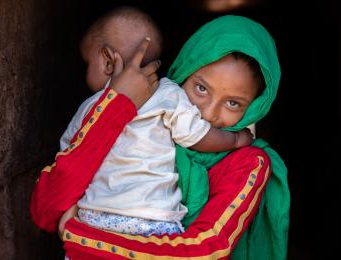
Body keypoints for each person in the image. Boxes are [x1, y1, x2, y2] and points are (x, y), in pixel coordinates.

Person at [30, 14, 290, 259]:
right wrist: (117, 108)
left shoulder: (247, 163)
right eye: (201, 88)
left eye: (233, 103)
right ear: (183, 71)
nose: (208, 114)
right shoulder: (139, 125)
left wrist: (80, 236)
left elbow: (203, 251)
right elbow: (46, 210)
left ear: (256, 107)